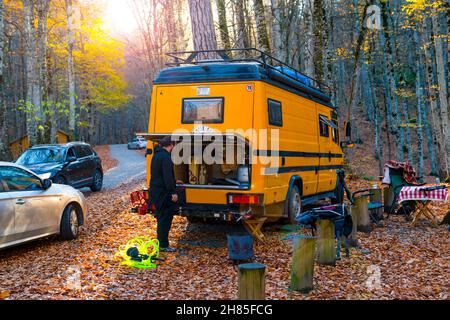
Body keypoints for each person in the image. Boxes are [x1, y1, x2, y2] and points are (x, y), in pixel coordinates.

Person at [149, 136, 180, 252]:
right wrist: (173, 192)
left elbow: (160, 175)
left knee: (161, 217)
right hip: (163, 193)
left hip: (156, 191)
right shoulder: (166, 157)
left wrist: (174, 181)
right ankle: (163, 245)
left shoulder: (156, 155)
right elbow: (166, 176)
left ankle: (161, 242)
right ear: (171, 145)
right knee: (165, 219)